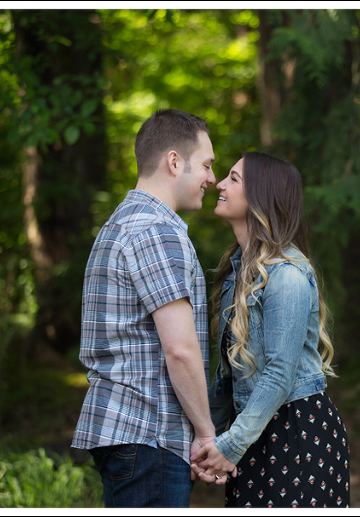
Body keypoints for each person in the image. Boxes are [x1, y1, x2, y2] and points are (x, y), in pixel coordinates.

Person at [71, 108, 227, 507]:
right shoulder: (157, 231)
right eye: (207, 165)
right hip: (149, 433)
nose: (212, 178)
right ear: (174, 162)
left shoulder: (121, 223)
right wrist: (206, 433)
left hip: (128, 433)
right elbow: (180, 348)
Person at [190, 151, 350, 508]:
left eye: (233, 179)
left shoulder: (287, 274)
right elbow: (227, 375)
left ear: (260, 197)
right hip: (253, 431)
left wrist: (228, 446)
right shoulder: (237, 274)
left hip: (297, 435)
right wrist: (207, 441)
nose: (219, 183)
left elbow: (279, 374)